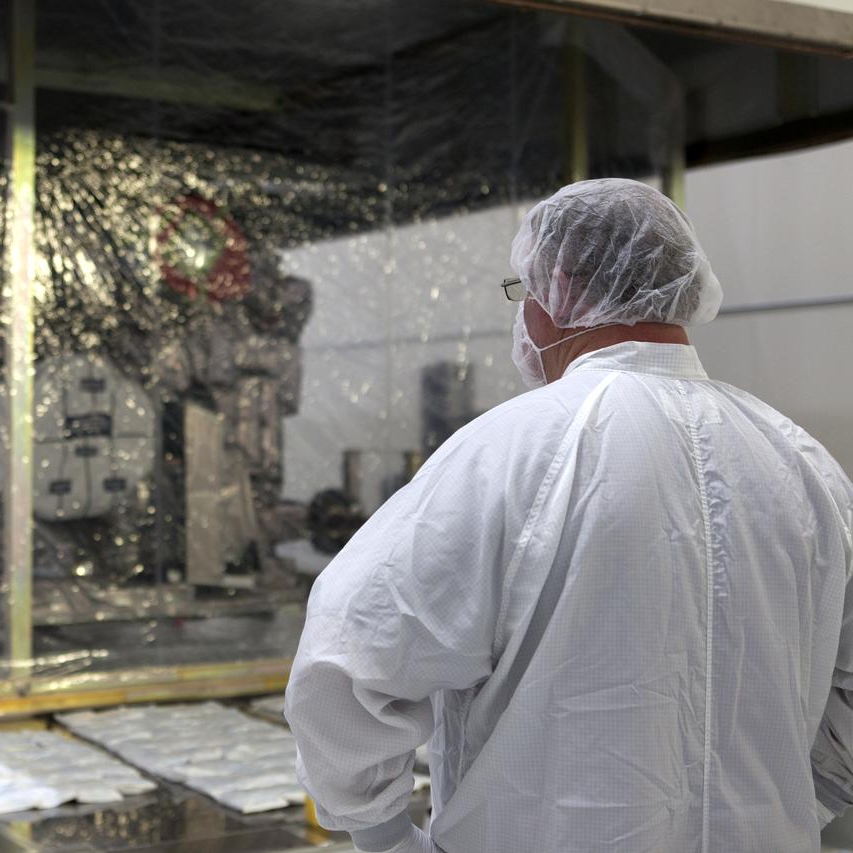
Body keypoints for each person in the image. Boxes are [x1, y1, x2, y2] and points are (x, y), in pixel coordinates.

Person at [284, 178, 853, 853]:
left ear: (555, 288)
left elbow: (346, 661)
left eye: (523, 291)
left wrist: (381, 833)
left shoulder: (511, 450)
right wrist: (781, 808)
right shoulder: (804, 465)